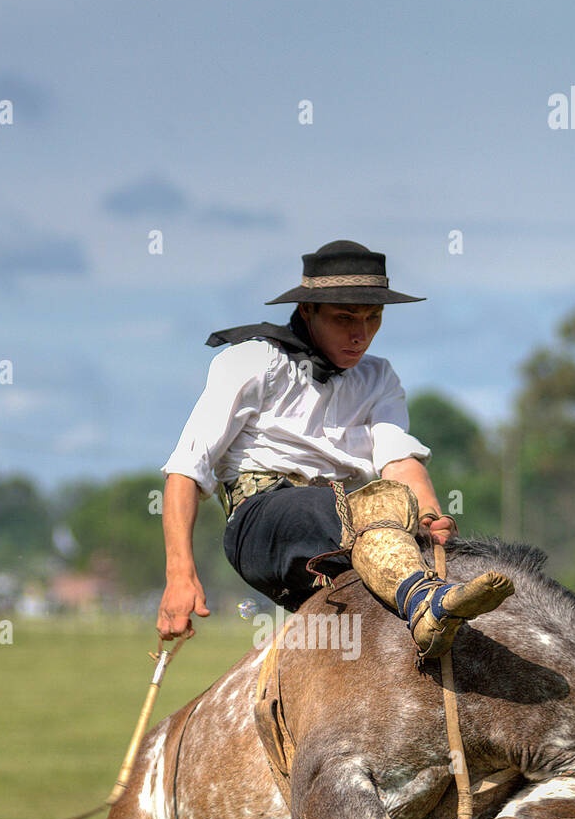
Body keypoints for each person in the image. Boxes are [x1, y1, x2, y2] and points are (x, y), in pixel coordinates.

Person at [156, 240, 511, 659]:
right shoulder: (250, 361)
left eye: (373, 318)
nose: (360, 334)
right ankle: (425, 602)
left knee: (416, 528)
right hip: (264, 524)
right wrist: (180, 576)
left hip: (360, 525)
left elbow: (399, 462)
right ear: (307, 310)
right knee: (364, 507)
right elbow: (186, 469)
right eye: (345, 319)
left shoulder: (380, 377)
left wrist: (432, 522)